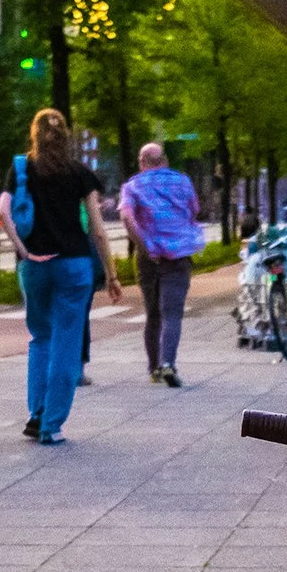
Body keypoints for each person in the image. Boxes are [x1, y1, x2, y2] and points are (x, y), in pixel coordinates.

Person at [0, 108, 121, 445]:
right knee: (67, 341)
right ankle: (52, 425)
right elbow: (97, 229)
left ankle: (36, 413)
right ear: (66, 136)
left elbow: (2, 211)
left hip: (35, 266)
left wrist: (24, 251)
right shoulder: (79, 173)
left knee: (40, 338)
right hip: (75, 266)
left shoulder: (21, 169)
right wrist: (111, 274)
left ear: (34, 134)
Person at [118, 141, 201, 387]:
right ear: (164, 160)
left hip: (148, 258)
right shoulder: (183, 181)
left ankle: (154, 368)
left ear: (142, 162)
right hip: (178, 256)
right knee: (172, 314)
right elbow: (194, 210)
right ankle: (168, 364)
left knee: (152, 314)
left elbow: (126, 216)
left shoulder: (132, 186)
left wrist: (145, 246)